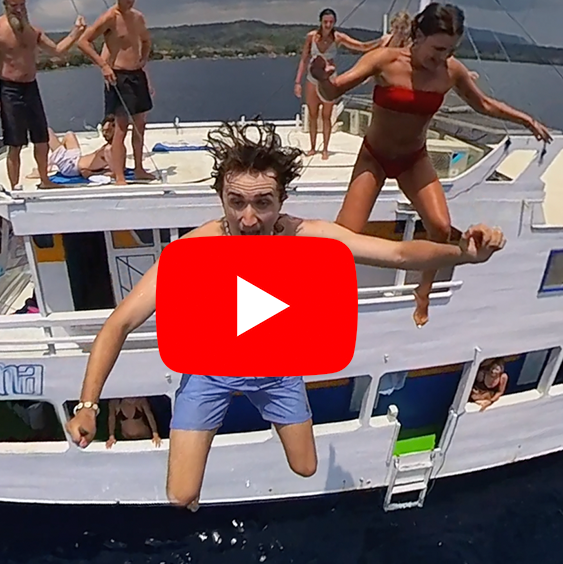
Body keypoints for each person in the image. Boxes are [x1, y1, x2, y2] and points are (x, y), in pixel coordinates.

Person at [65, 121, 505, 510]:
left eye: (263, 203)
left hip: (276, 367)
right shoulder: (198, 250)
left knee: (305, 467)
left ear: (283, 200)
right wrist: (88, 407)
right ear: (220, 197)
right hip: (210, 370)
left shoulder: (303, 235)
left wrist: (464, 254)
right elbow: (118, 322)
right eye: (236, 202)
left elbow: (397, 252)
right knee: (180, 496)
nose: (249, 218)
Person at [310, 2, 550, 327]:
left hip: (414, 159)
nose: (442, 57)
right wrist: (322, 78)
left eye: (450, 50)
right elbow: (333, 91)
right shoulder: (386, 61)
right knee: (345, 234)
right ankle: (319, 295)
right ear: (417, 35)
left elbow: (484, 104)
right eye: (437, 48)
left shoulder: (451, 71)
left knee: (440, 227)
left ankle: (424, 291)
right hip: (375, 158)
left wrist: (525, 119)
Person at [0, 0, 86, 190]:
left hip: (30, 87)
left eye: (22, 5)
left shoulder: (33, 31)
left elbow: (57, 50)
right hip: (9, 89)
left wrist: (76, 32)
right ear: (5, 5)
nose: (19, 10)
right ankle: (14, 186)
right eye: (14, 6)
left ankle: (45, 180)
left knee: (41, 138)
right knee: (15, 142)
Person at [78, 0, 156, 185]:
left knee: (140, 124)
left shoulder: (138, 17)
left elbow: (145, 40)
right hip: (118, 75)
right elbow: (83, 42)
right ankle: (119, 175)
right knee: (121, 128)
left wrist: (143, 59)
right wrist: (104, 65)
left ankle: (138, 168)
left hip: (136, 74)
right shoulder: (110, 17)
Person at [294, 8, 385, 160]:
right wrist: (298, 82)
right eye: (325, 22)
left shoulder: (338, 38)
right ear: (320, 22)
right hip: (312, 77)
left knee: (327, 115)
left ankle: (325, 149)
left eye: (331, 22)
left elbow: (361, 47)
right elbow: (304, 58)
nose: (328, 25)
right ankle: (312, 147)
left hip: (330, 78)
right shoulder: (311, 37)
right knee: (313, 113)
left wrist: (379, 42)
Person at [28, 115, 116, 180]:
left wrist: (93, 173)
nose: (104, 134)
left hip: (70, 167)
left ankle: (50, 163)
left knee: (46, 131)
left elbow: (113, 172)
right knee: (69, 135)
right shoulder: (109, 147)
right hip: (75, 159)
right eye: (103, 131)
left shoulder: (109, 150)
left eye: (107, 131)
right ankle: (54, 160)